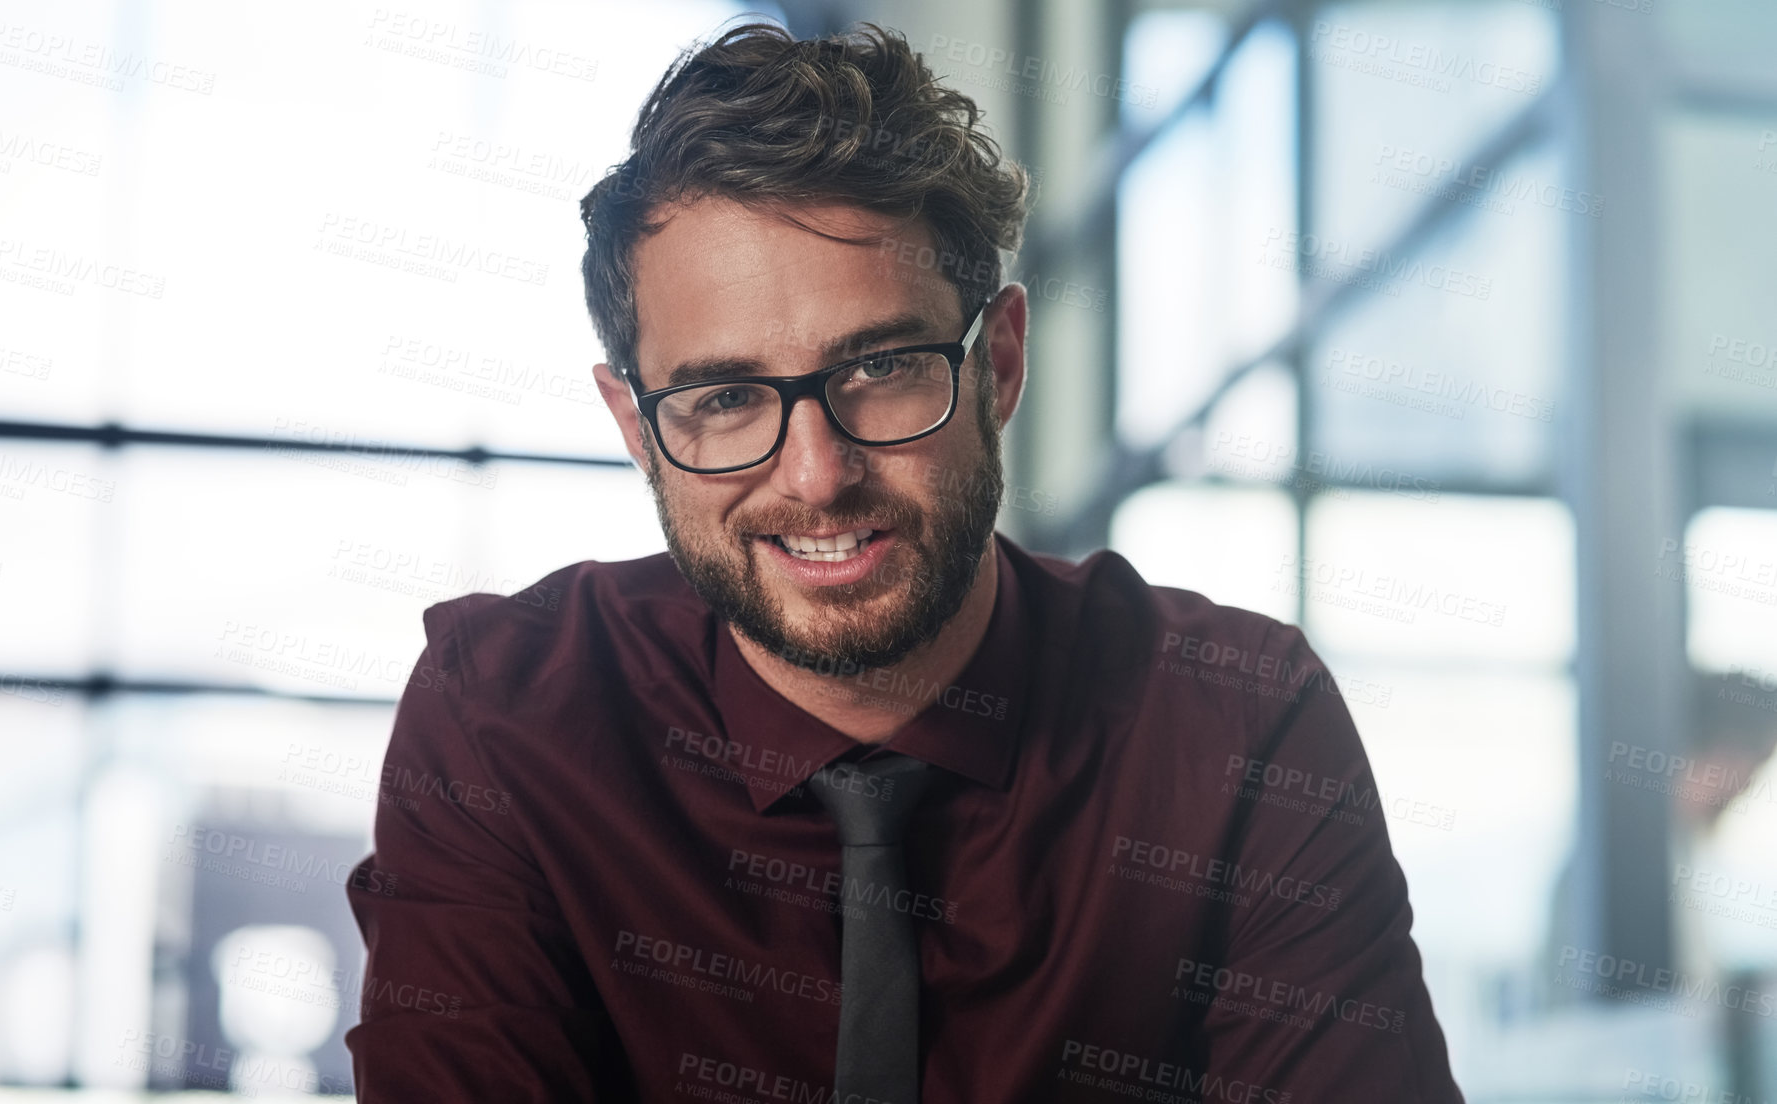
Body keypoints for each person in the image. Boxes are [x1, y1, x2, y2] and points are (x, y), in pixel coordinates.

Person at [345, 21, 1464, 1103]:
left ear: (1001, 363)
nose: (817, 475)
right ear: (637, 425)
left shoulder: (1232, 726)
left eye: (882, 367)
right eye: (725, 398)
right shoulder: (502, 714)